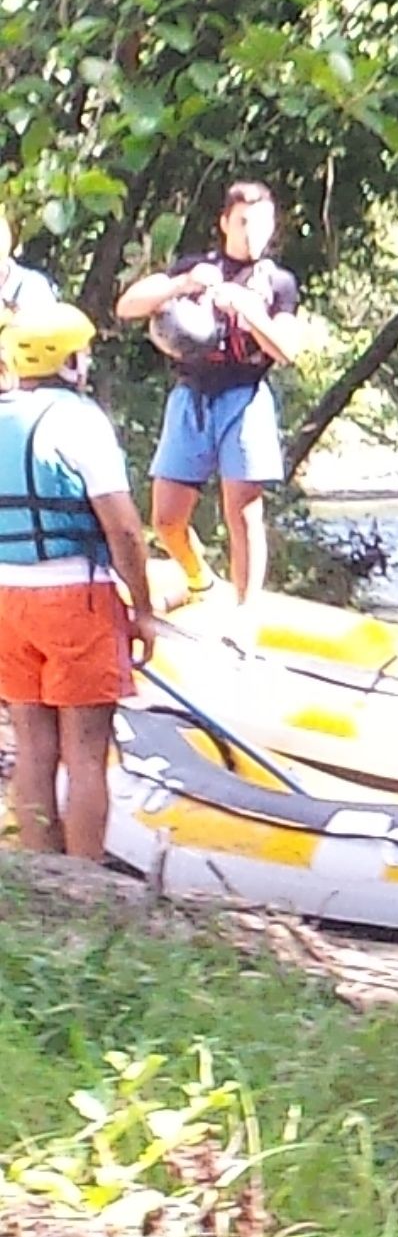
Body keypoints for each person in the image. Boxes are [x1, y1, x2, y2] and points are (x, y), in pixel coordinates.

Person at [0, 306, 156, 862]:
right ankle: (85, 884)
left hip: (7, 600)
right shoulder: (81, 420)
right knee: (87, 752)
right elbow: (124, 529)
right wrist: (143, 608)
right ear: (67, 361)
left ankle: (42, 881)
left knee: (33, 746)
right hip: (75, 597)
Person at [112, 181, 301, 606]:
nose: (253, 233)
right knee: (166, 518)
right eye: (244, 223)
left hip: (245, 398)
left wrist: (250, 312)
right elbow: (127, 306)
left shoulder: (280, 283)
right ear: (225, 223)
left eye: (262, 224)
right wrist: (181, 284)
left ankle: (246, 612)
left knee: (244, 510)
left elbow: (286, 350)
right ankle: (199, 580)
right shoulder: (197, 266)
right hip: (190, 396)